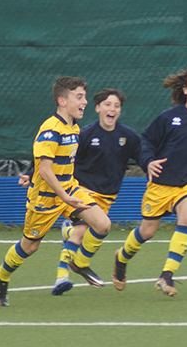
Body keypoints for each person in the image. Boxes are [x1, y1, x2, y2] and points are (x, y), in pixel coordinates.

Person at [0, 76, 111, 306]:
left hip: (69, 189)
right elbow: (45, 170)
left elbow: (52, 161)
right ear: (62, 101)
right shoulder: (50, 129)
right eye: (79, 97)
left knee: (103, 224)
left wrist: (64, 192)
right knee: (30, 246)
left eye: (85, 97)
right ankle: (1, 276)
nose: (85, 102)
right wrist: (62, 195)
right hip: (45, 198)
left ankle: (78, 263)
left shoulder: (74, 127)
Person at [112, 66, 187, 297]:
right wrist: (148, 162)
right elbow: (147, 141)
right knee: (147, 231)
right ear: (185, 89)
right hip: (161, 184)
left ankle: (167, 275)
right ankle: (121, 258)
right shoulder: (168, 117)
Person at [21, 89, 142, 291]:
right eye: (107, 104)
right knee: (79, 233)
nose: (112, 109)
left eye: (116, 106)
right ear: (98, 108)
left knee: (91, 231)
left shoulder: (127, 136)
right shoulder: (85, 133)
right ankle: (62, 276)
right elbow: (56, 156)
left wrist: (153, 166)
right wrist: (31, 172)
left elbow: (142, 155)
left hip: (107, 196)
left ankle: (70, 242)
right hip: (82, 190)